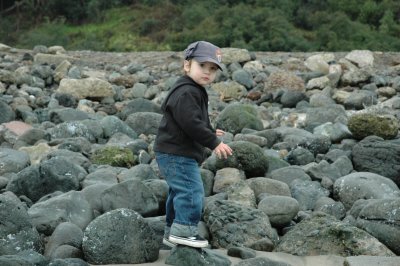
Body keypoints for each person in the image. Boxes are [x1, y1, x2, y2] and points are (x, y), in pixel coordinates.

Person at [154, 40, 233, 248]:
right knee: (191, 190)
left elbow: (191, 119)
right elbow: (190, 122)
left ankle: (171, 232)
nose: (207, 72)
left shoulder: (191, 89)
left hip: (172, 151)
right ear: (187, 65)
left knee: (177, 191)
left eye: (213, 69)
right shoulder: (187, 91)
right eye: (202, 66)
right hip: (176, 153)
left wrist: (208, 130)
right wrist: (213, 141)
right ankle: (184, 230)